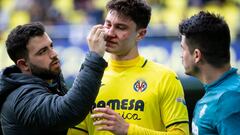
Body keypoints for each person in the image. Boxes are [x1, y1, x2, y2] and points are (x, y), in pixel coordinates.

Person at [68, 0, 189, 134]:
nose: (109, 33)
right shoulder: (89, 78)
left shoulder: (165, 78)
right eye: (108, 24)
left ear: (141, 34)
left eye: (120, 27)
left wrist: (127, 130)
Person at [0, 22, 108, 135]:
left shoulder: (49, 79)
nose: (54, 54)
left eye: (51, 46)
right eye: (42, 51)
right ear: (23, 64)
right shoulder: (22, 98)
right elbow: (69, 110)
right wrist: (95, 56)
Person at [179, 11, 240, 135]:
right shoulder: (221, 95)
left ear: (196, 55)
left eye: (183, 49)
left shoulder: (228, 100)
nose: (181, 55)